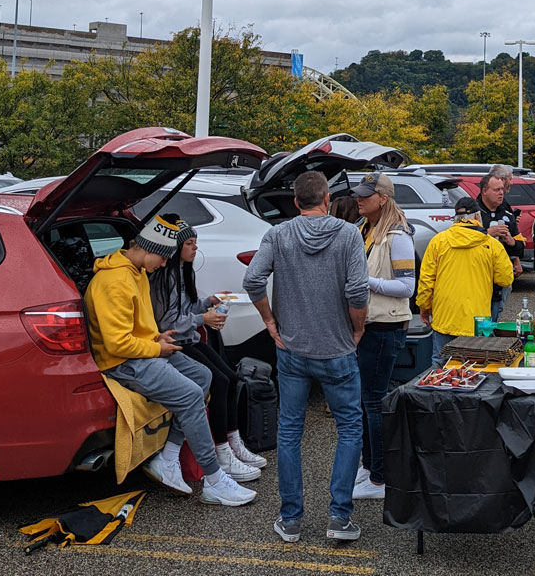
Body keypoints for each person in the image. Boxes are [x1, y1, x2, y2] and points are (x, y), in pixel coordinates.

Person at [84, 216, 256, 506]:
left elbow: (141, 327)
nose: (164, 265)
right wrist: (156, 348)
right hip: (122, 361)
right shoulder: (114, 282)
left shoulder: (135, 270)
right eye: (163, 258)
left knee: (203, 377)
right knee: (190, 394)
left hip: (144, 350)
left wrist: (157, 339)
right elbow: (117, 344)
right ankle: (214, 480)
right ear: (147, 249)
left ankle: (168, 456)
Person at [243, 170, 369, 543]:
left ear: (296, 202)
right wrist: (357, 328)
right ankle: (340, 518)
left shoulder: (279, 234)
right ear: (327, 198)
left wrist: (270, 321)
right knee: (349, 429)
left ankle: (291, 518)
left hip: (292, 349)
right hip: (338, 350)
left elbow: (252, 280)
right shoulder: (348, 235)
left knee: (290, 431)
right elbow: (358, 290)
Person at [149, 216, 266, 483]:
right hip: (176, 342)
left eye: (196, 243)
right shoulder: (165, 276)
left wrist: (207, 302)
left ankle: (234, 443)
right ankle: (222, 451)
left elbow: (184, 310)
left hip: (189, 338)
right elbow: (167, 322)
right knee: (218, 381)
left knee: (233, 378)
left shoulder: (183, 271)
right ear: (175, 247)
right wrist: (204, 319)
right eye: (189, 243)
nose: (195, 249)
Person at [348, 173, 415, 501]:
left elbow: (407, 287)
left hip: (385, 327)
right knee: (365, 401)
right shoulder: (366, 228)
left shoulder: (397, 235)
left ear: (383, 199)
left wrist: (365, 282)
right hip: (369, 325)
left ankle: (379, 477)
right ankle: (369, 465)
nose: (358, 200)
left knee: (373, 402)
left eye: (365, 195)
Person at [416, 196, 513, 360]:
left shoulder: (438, 242)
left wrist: (424, 307)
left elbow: (426, 281)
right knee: (475, 365)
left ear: (456, 218)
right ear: (477, 217)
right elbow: (505, 279)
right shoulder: (491, 244)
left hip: (444, 318)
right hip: (477, 321)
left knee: (441, 365)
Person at [476, 171, 525, 321]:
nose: (501, 193)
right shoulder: (474, 212)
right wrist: (487, 233)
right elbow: (461, 238)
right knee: (480, 315)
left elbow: (520, 248)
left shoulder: (507, 214)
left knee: (496, 311)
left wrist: (512, 243)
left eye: (502, 189)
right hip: (479, 273)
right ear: (484, 191)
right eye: (496, 190)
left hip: (501, 274)